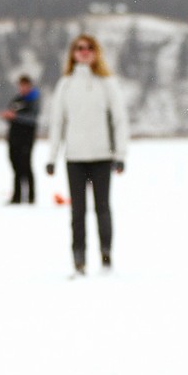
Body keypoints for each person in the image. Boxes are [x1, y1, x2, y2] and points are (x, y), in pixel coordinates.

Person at [45, 34, 129, 275]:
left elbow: (119, 121)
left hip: (103, 157)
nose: (84, 51)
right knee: (77, 211)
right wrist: (52, 158)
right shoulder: (66, 84)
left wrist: (120, 154)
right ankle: (78, 257)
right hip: (75, 158)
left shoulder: (107, 83)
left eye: (89, 48)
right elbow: (57, 124)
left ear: (96, 52)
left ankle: (106, 253)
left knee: (103, 208)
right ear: (73, 53)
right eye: (79, 48)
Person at [0, 75, 40, 203]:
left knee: (26, 166)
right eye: (20, 86)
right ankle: (17, 196)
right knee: (16, 166)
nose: (22, 88)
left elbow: (33, 118)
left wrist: (15, 116)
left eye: (24, 85)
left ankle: (31, 197)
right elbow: (12, 115)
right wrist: (8, 117)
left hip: (26, 139)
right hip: (14, 138)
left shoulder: (34, 100)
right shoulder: (17, 99)